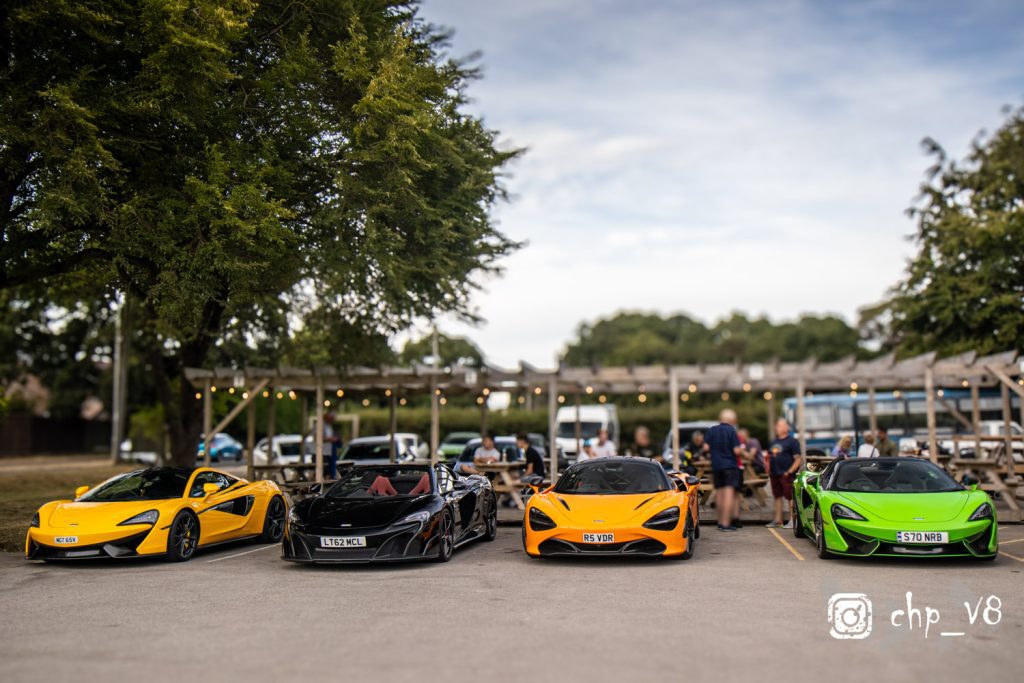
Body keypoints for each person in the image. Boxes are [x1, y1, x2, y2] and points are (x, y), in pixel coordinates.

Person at [705, 409, 745, 531]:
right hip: (729, 466)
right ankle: (726, 524)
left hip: (716, 466)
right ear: (732, 420)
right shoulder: (731, 431)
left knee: (719, 494)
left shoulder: (712, 430)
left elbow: (706, 447)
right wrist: (743, 452)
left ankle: (720, 521)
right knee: (728, 495)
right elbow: (736, 451)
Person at [766, 418, 802, 529]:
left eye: (780, 425)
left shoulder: (792, 441)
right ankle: (778, 520)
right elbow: (768, 457)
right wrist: (768, 468)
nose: (777, 427)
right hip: (775, 474)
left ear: (786, 428)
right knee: (777, 496)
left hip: (787, 474)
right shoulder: (774, 442)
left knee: (790, 497)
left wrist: (789, 471)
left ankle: (792, 520)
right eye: (777, 425)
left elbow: (798, 459)